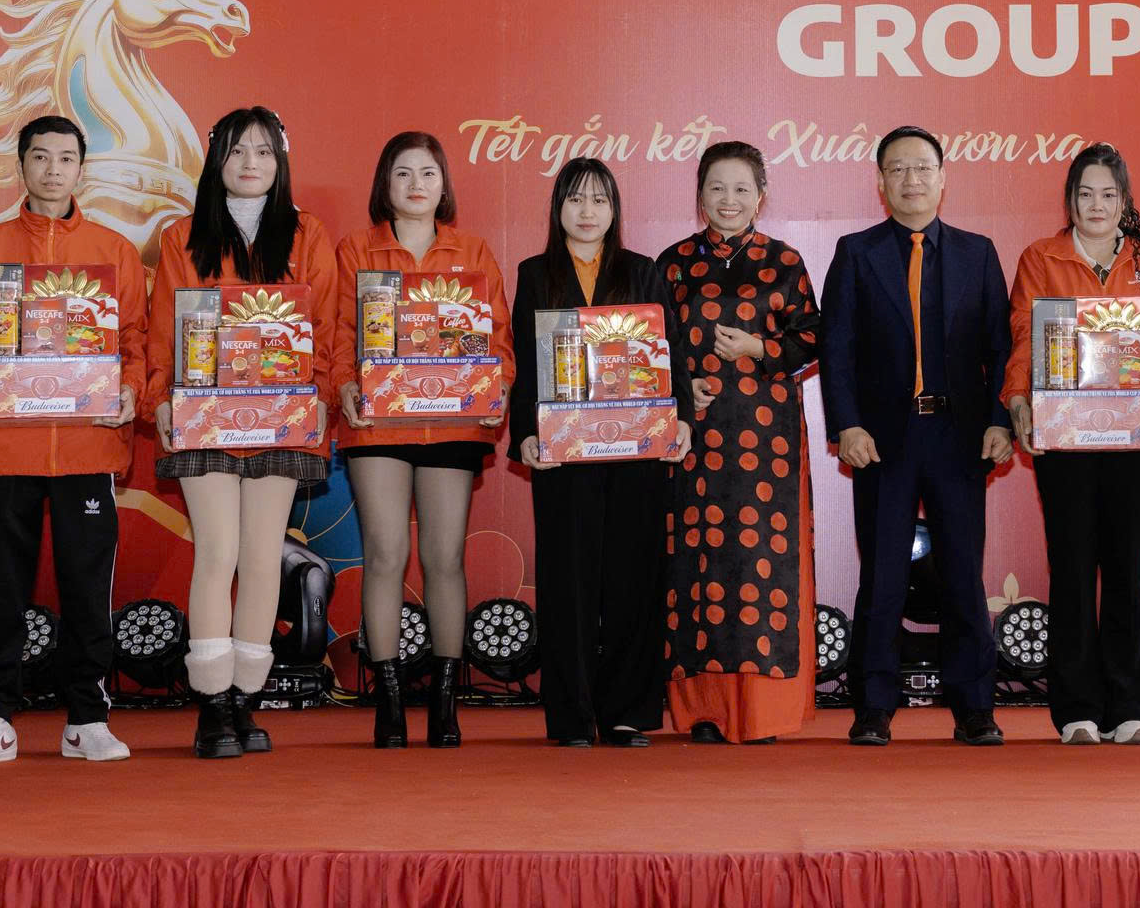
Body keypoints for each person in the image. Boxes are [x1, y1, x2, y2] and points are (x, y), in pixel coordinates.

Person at [0, 115, 147, 767]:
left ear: (82, 167)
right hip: (3, 445)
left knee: (87, 586)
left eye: (65, 158)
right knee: (2, 589)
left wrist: (131, 388)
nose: (53, 169)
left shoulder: (115, 250)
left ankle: (87, 717)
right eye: (40, 156)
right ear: (20, 164)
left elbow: (135, 343)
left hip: (88, 446)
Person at [145, 107, 344, 761]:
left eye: (262, 150)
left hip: (282, 413)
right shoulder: (182, 236)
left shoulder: (308, 234)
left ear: (280, 159)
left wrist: (320, 393)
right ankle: (210, 704)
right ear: (216, 161)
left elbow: (327, 327)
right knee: (219, 551)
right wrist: (160, 396)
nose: (250, 163)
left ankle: (242, 699)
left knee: (262, 556)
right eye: (236, 151)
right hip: (205, 414)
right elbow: (162, 329)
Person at [820, 126, 1015, 746]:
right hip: (883, 438)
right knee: (882, 577)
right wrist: (847, 424)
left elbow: (1000, 348)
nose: (911, 180)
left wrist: (1000, 420)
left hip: (959, 437)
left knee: (962, 574)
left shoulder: (978, 253)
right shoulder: (856, 253)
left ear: (943, 177)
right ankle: (873, 706)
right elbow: (837, 348)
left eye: (923, 168)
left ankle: (974, 708)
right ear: (881, 182)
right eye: (898, 169)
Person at [1003, 144, 1140, 746]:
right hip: (1064, 437)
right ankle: (1077, 707)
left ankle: (1133, 705)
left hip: (1136, 436)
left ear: (1125, 200)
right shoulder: (1042, 258)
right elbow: (1023, 333)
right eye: (1085, 194)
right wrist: (1018, 401)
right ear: (1069, 200)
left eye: (1109, 194)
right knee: (1073, 568)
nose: (1097, 205)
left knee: (1128, 567)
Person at [335, 132, 512, 749]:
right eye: (403, 173)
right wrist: (343, 384)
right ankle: (387, 701)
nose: (416, 184)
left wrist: (499, 385)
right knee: (385, 555)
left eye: (428, 173)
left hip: (453, 423)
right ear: (384, 184)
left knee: (444, 558)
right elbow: (338, 332)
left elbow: (498, 339)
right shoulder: (356, 249)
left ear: (444, 185)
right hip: (377, 424)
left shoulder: (473, 251)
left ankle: (444, 699)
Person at [509, 158, 690, 747]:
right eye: (576, 199)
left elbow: (670, 353)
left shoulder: (642, 270)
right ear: (557, 207)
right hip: (563, 453)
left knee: (635, 580)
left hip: (636, 449)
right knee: (568, 584)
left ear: (615, 210)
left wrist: (681, 420)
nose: (587, 212)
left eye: (600, 201)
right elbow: (524, 363)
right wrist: (525, 434)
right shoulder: (535, 273)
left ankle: (627, 712)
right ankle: (571, 716)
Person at [658, 143, 824, 744]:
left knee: (762, 565)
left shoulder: (785, 260)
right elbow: (651, 349)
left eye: (741, 189)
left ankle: (762, 712)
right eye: (716, 188)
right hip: (695, 437)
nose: (728, 200)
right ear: (699, 195)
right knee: (697, 567)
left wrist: (760, 349)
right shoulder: (673, 264)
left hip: (767, 439)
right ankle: (704, 709)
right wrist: (683, 390)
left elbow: (815, 338)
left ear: (761, 196)